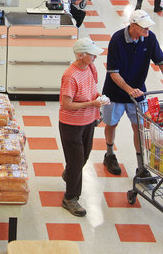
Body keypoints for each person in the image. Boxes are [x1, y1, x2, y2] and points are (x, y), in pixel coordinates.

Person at [101, 10, 163, 177]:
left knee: (139, 128)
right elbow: (113, 73)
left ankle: (141, 166)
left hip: (138, 92)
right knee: (112, 124)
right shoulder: (117, 40)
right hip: (115, 92)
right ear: (132, 26)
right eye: (144, 27)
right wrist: (128, 89)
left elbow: (161, 62)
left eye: (148, 27)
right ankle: (109, 154)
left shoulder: (150, 38)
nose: (147, 31)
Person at [59, 38, 108, 217]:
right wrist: (91, 104)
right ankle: (70, 198)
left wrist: (99, 99)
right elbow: (67, 104)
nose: (95, 57)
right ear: (80, 55)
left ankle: (70, 174)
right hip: (71, 124)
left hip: (88, 121)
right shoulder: (70, 76)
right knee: (77, 160)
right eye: (91, 54)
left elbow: (91, 91)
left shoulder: (90, 68)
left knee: (84, 156)